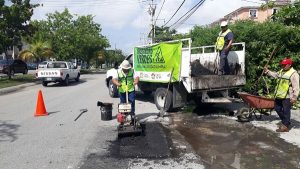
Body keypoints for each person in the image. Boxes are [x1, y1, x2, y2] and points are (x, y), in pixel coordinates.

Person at [264, 58, 299, 132]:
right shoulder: (281, 71)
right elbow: (275, 75)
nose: (283, 66)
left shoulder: (294, 74)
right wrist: (267, 71)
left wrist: (294, 97)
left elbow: (296, 86)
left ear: (289, 65)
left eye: (284, 65)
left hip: (287, 96)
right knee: (277, 108)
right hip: (279, 94)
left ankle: (285, 126)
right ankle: (286, 121)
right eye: (282, 65)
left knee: (286, 111)